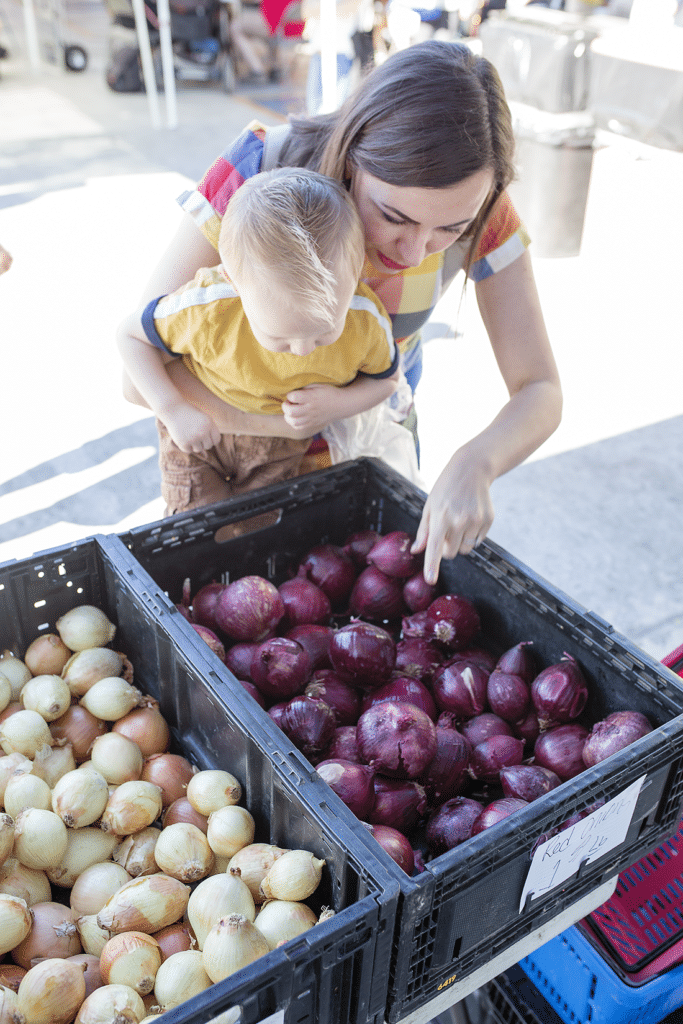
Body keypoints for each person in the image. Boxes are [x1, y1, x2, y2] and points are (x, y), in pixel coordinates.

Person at [121, 40, 562, 585]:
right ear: (352, 156)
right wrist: (286, 425)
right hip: (232, 456)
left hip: (369, 454)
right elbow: (135, 376)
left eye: (450, 230)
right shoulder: (263, 169)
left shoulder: (483, 208)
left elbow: (540, 388)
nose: (415, 252)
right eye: (393, 214)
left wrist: (479, 461)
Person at [117, 167, 400, 514]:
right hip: (197, 434)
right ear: (234, 282)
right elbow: (130, 335)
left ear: (357, 272)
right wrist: (172, 410)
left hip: (280, 446)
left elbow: (387, 381)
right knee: (195, 528)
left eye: (325, 332)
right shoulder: (209, 307)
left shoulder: (365, 320)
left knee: (260, 529)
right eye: (280, 337)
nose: (303, 349)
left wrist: (337, 404)